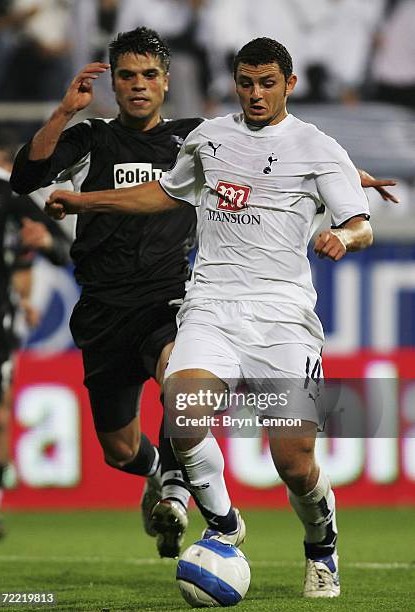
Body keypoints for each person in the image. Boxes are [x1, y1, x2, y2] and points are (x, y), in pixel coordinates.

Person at [42, 37, 397, 599]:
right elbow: (165, 195)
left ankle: (321, 546)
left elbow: (362, 222)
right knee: (183, 410)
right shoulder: (208, 137)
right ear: (234, 82)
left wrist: (342, 236)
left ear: (290, 85)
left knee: (295, 464)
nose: (256, 94)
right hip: (210, 305)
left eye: (268, 84)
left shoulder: (318, 147)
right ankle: (226, 525)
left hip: (282, 317)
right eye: (247, 83)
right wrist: (84, 202)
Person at [11, 27, 203, 558]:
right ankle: (156, 471)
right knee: (120, 451)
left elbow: (275, 160)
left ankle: (180, 494)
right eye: (127, 76)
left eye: (148, 75)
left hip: (170, 297)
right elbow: (26, 176)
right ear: (114, 85)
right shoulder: (90, 138)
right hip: (102, 309)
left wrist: (345, 178)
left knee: (181, 385)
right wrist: (63, 113)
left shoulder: (196, 139)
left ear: (165, 83)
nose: (138, 85)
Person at [0, 130, 71, 539]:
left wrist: (21, 299)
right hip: (3, 314)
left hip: (0, 316)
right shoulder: (13, 195)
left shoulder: (12, 201)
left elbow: (51, 252)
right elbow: (58, 249)